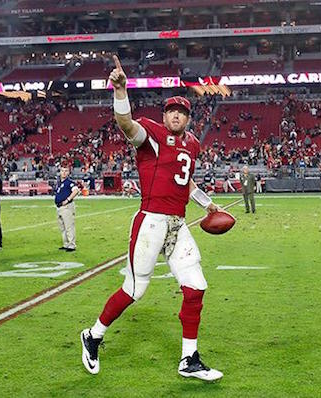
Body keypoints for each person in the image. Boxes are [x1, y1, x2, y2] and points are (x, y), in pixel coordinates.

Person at [80, 55, 223, 382]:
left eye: (182, 111)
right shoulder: (154, 135)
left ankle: (189, 359)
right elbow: (127, 125)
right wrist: (120, 91)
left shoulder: (193, 144)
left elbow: (185, 183)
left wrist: (207, 204)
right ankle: (94, 334)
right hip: (151, 222)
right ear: (164, 115)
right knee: (135, 288)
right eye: (172, 110)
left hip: (177, 224)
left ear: (188, 117)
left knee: (196, 286)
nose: (176, 115)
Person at [55, 166, 80, 252]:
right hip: (59, 207)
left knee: (69, 226)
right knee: (63, 227)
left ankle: (72, 245)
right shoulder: (59, 183)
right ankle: (66, 244)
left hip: (66, 207)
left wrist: (68, 200)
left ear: (68, 172)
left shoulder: (69, 182)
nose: (64, 173)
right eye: (62, 171)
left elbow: (76, 190)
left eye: (66, 171)